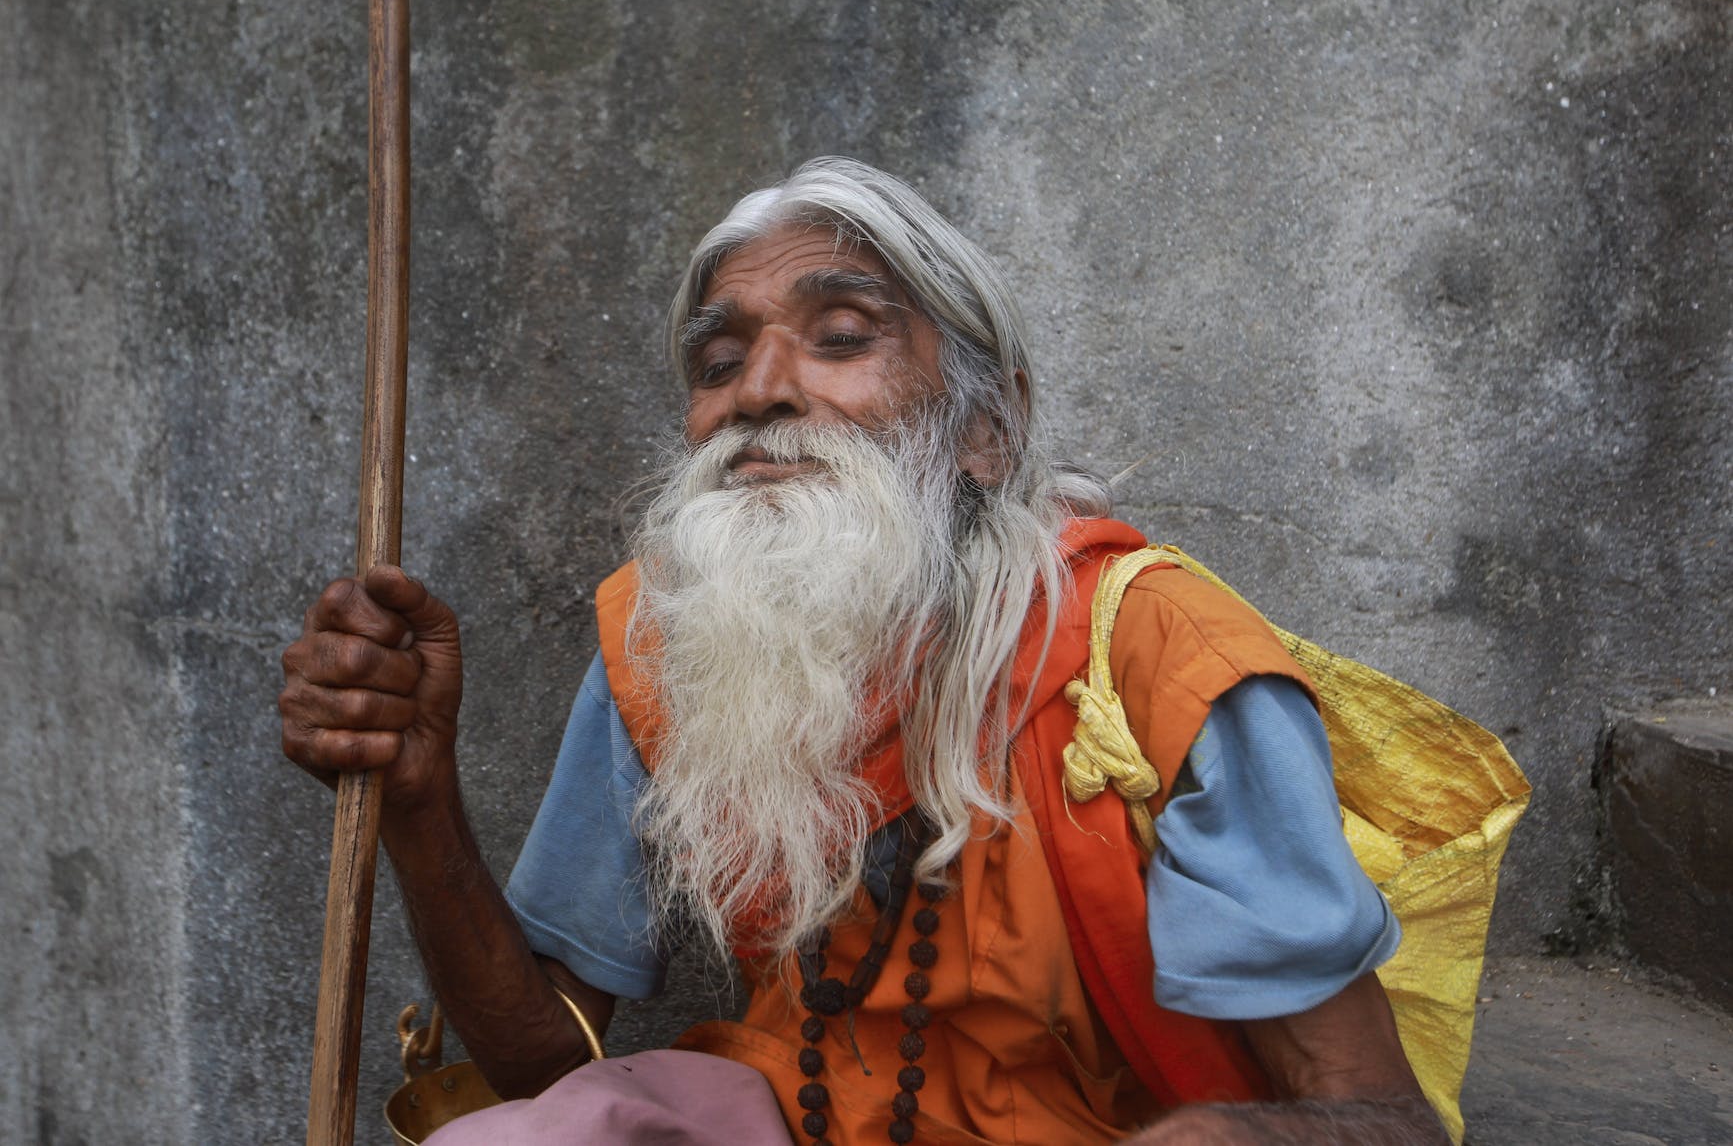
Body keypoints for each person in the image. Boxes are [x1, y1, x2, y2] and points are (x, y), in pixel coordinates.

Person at [280, 158, 1447, 1144]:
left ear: (985, 432)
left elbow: (1378, 1118)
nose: (760, 391)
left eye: (840, 338)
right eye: (718, 360)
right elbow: (548, 1065)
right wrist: (418, 795)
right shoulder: (670, 637)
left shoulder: (1154, 658)